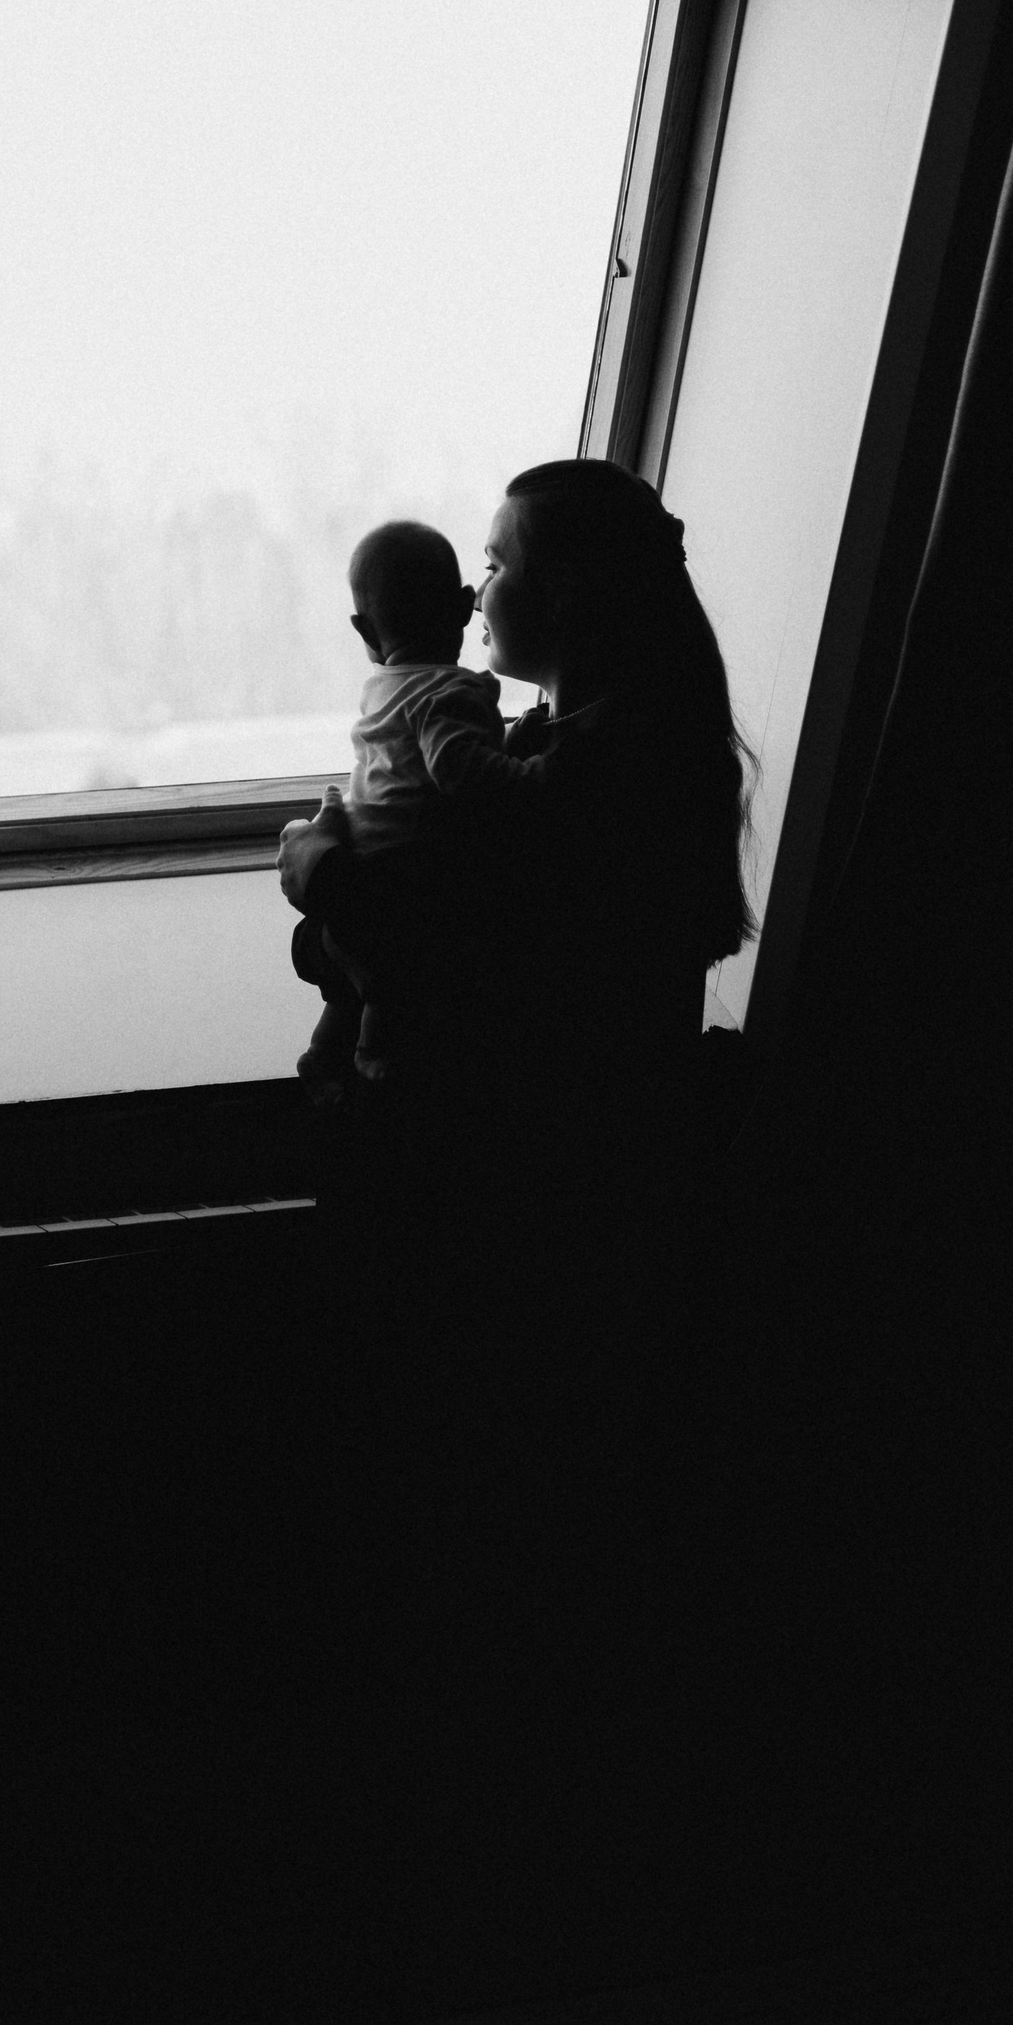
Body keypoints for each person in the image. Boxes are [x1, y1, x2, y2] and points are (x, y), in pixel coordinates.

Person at [280, 459, 759, 1691]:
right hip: (522, 1165)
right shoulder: (570, 748)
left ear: (571, 595)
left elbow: (434, 954)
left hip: (532, 1192)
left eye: (495, 560)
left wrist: (318, 872)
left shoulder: (592, 778)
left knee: (483, 1498)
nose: (476, 585)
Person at [288, 519, 504, 1083]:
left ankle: (324, 1057)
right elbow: (464, 775)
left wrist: (319, 858)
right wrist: (522, 768)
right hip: (406, 865)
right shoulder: (452, 690)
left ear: (364, 628)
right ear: (463, 605)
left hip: (363, 853)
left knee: (355, 986)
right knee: (385, 990)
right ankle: (372, 1061)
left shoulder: (382, 687)